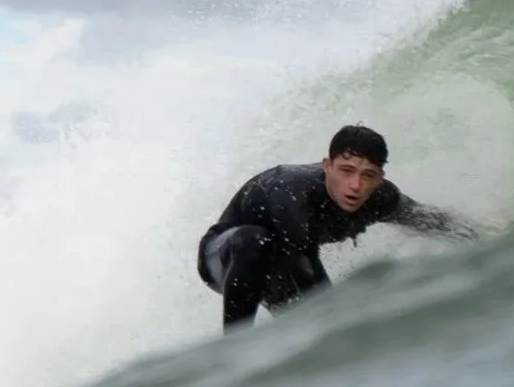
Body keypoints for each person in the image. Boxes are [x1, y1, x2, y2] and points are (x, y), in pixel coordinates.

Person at [197, 123, 480, 328]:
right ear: (327, 166)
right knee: (257, 242)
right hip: (225, 256)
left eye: (368, 175)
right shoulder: (293, 196)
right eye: (346, 171)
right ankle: (233, 352)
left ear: (380, 178)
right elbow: (311, 283)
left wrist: (481, 236)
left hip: (279, 266)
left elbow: (427, 219)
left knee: (302, 319)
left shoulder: (381, 197)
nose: (355, 186)